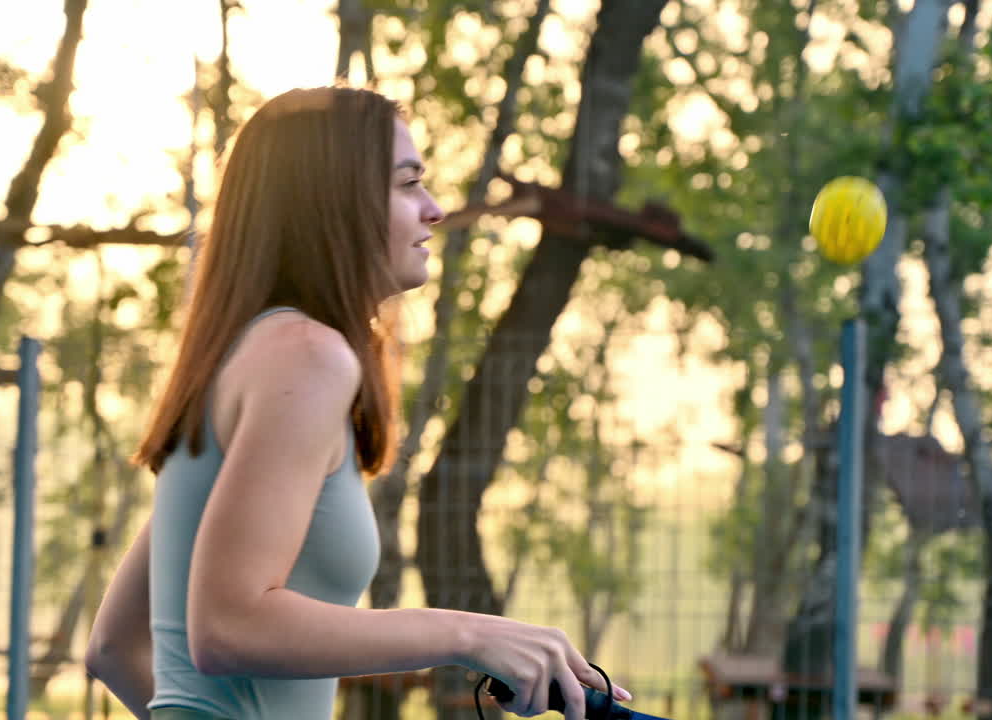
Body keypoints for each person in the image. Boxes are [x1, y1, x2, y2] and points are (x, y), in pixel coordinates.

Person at [84, 86, 631, 720]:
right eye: (407, 185)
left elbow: (113, 648)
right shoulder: (305, 356)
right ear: (334, 204)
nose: (432, 209)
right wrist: (474, 636)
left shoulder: (239, 358)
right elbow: (226, 626)